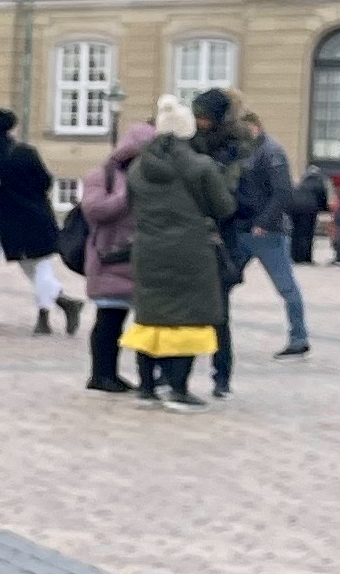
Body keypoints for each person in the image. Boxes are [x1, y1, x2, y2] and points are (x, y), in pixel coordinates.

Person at [127, 95, 237, 408]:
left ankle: (146, 387)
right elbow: (223, 207)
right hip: (190, 251)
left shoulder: (137, 167)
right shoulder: (200, 166)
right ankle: (178, 388)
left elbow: (130, 205)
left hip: (148, 250)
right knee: (189, 318)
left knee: (150, 317)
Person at [198, 87, 307, 364]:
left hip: (268, 232)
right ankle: (212, 335)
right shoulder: (239, 151)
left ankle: (299, 339)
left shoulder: (272, 151)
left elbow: (282, 192)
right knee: (224, 282)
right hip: (240, 228)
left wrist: (264, 222)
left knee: (286, 287)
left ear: (256, 126)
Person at [0, 111, 79, 336]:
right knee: (41, 267)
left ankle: (52, 312)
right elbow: (45, 181)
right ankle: (54, 309)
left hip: (8, 218)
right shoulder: (25, 151)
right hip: (38, 214)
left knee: (33, 268)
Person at [77, 121, 149, 394]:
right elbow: (95, 209)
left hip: (139, 254)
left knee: (140, 321)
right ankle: (102, 374)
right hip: (110, 255)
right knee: (109, 318)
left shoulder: (151, 175)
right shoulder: (102, 175)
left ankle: (123, 375)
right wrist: (128, 194)